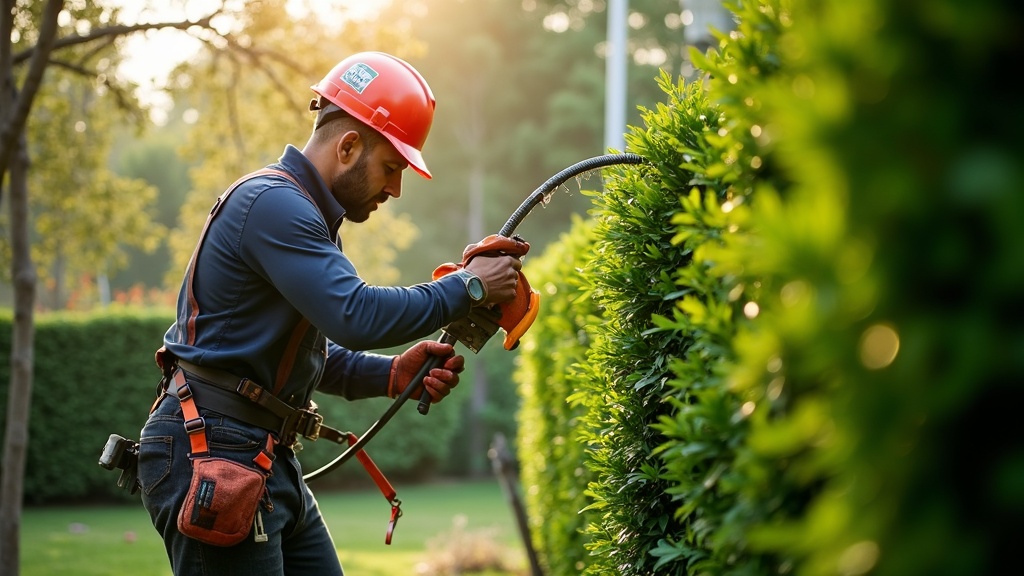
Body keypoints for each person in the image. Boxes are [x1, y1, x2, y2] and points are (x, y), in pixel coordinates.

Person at [136, 51, 522, 575]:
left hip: (262, 455)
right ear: (347, 146)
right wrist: (469, 287)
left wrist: (390, 373)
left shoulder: (304, 216)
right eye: (391, 167)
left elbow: (310, 351)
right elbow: (355, 314)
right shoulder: (273, 204)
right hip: (213, 449)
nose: (395, 189)